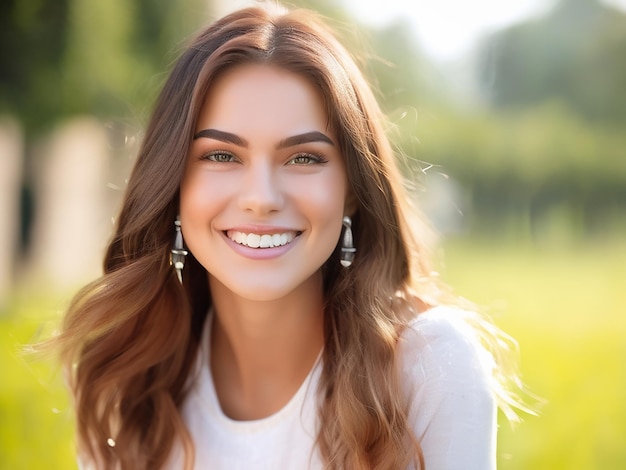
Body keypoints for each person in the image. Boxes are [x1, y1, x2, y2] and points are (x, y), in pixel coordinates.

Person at [56, 3, 524, 469]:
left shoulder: (429, 368)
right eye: (221, 156)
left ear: (353, 192)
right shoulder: (126, 385)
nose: (261, 198)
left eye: (303, 158)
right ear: (173, 184)